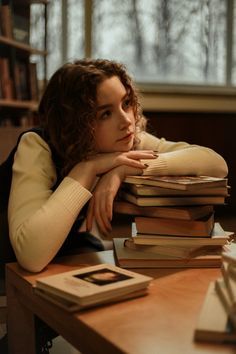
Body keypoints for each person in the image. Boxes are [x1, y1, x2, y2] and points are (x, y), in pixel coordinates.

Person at [8, 58, 228, 273]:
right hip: (11, 258)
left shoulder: (128, 140)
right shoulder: (36, 146)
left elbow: (216, 164)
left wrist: (121, 170)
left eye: (126, 103)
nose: (126, 121)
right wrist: (87, 169)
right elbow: (30, 256)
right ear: (75, 124)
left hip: (67, 245)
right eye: (105, 113)